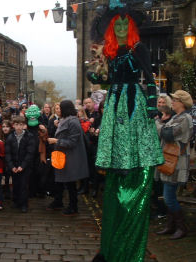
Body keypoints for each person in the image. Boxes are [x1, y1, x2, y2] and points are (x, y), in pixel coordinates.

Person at [88, 2, 164, 261]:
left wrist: (152, 104)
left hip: (132, 98)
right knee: (114, 129)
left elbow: (150, 78)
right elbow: (106, 79)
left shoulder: (138, 48)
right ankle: (116, 161)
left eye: (125, 24)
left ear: (130, 27)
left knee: (131, 128)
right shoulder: (109, 52)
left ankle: (131, 160)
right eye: (117, 25)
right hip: (114, 99)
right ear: (111, 28)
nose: (121, 28)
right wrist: (95, 74)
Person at [155, 90, 193, 240]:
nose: (173, 102)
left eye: (175, 100)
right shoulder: (177, 117)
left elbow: (168, 134)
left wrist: (159, 124)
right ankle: (171, 226)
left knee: (169, 196)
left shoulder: (185, 118)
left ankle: (181, 227)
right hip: (170, 160)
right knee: (168, 195)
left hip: (176, 162)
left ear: (182, 103)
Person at [47, 100, 89, 216]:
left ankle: (73, 206)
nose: (59, 110)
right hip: (63, 155)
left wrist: (56, 141)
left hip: (71, 157)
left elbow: (72, 142)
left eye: (61, 108)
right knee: (61, 181)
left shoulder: (73, 122)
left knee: (70, 183)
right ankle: (59, 201)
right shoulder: (67, 120)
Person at [5, 116, 35, 213]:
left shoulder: (29, 136)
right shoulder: (10, 137)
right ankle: (16, 201)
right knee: (16, 184)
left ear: (24, 126)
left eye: (21, 125)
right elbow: (8, 153)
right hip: (14, 166)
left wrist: (23, 166)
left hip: (25, 166)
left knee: (24, 185)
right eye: (17, 124)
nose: (18, 127)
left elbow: (30, 153)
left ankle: (24, 204)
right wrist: (12, 166)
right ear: (13, 125)